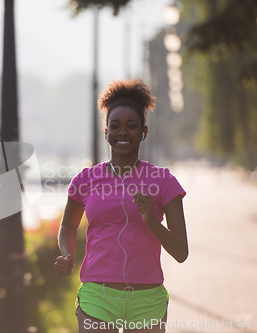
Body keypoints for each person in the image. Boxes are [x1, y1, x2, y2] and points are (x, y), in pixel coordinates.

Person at [55, 78, 188, 332]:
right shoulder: (85, 179)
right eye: (114, 126)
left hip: (147, 300)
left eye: (132, 126)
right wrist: (67, 253)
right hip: (97, 296)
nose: (122, 132)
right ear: (106, 132)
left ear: (143, 132)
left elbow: (181, 252)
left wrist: (150, 220)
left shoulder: (164, 181)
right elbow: (68, 226)